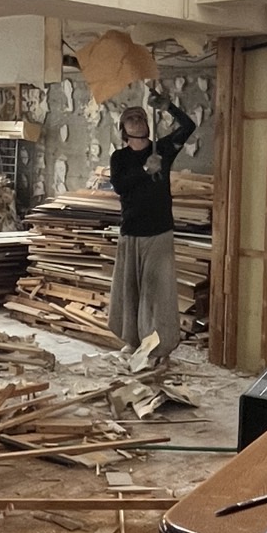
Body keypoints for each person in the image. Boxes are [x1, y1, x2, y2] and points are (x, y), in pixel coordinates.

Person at [108, 87, 197, 365]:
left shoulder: (163, 149)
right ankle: (133, 340)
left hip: (159, 230)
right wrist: (145, 170)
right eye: (131, 119)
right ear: (123, 130)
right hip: (131, 230)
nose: (137, 121)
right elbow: (120, 186)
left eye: (140, 117)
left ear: (147, 124)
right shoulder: (120, 158)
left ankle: (158, 345)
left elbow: (189, 126)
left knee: (158, 293)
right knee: (131, 290)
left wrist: (168, 107)